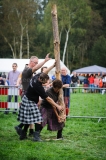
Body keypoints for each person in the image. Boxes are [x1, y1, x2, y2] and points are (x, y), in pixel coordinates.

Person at [15, 54, 54, 137]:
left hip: (29, 94)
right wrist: (45, 61)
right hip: (28, 95)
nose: (37, 64)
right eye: (35, 62)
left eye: (37, 62)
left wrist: (52, 66)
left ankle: (23, 132)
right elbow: (36, 68)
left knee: (29, 116)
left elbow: (43, 73)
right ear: (31, 62)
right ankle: (30, 133)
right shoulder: (28, 70)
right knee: (34, 116)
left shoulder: (33, 74)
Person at [17, 72, 63, 141]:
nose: (47, 82)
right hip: (30, 101)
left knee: (29, 118)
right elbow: (48, 99)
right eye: (46, 81)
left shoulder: (36, 77)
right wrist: (57, 106)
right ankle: (36, 137)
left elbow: (46, 71)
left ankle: (22, 133)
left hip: (28, 99)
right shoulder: (39, 87)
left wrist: (49, 63)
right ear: (42, 80)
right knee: (38, 119)